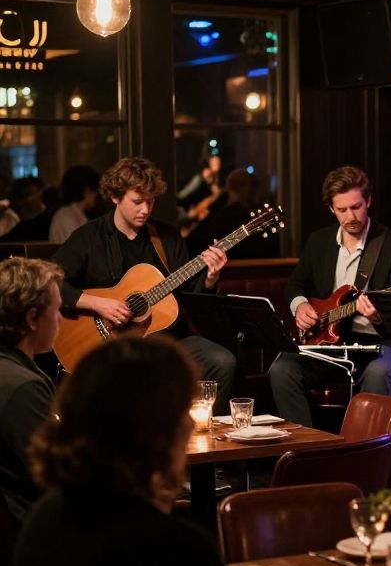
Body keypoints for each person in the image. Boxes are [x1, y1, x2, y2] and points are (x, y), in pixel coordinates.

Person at [11, 336, 308, 566]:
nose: (191, 423)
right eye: (183, 409)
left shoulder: (44, 520)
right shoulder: (175, 549)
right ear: (157, 432)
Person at [51, 157, 236, 413]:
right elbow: (50, 281)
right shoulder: (88, 237)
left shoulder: (167, 238)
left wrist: (210, 278)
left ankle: (200, 440)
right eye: (137, 202)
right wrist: (97, 304)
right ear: (115, 197)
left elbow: (191, 297)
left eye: (150, 202)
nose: (145, 210)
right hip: (110, 343)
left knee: (221, 360)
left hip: (166, 340)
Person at [269, 165, 391, 427]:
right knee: (282, 369)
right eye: (342, 210)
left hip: (382, 343)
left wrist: (379, 314)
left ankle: (366, 459)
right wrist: (300, 306)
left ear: (368, 201)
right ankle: (306, 452)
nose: (351, 216)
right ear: (331, 209)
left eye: (357, 206)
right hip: (332, 345)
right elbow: (295, 285)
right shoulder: (319, 241)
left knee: (378, 373)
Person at [0, 258, 62, 529]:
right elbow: (57, 477)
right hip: (30, 535)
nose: (60, 320)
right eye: (57, 310)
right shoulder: (23, 387)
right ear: (32, 318)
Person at [186, 169, 279, 260]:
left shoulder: (216, 217)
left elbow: (190, 243)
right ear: (247, 189)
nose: (258, 195)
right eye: (255, 188)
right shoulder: (242, 218)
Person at [48, 164, 100, 243]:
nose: (96, 195)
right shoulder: (65, 215)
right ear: (87, 190)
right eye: (95, 191)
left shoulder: (75, 214)